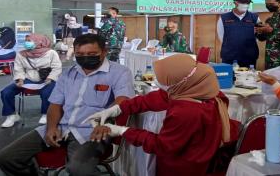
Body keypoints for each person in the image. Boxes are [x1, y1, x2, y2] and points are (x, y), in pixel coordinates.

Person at [0, 34, 135, 176]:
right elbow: (55, 104)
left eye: (92, 54)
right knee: (6, 158)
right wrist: (51, 127)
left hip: (93, 131)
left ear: (104, 52)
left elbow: (123, 100)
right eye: (80, 54)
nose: (85, 57)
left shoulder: (119, 72)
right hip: (61, 127)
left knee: (79, 169)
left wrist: (106, 122)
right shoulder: (68, 74)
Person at [86, 54, 239, 176]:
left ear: (179, 83)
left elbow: (162, 146)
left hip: (184, 166)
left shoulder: (186, 111)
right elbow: (154, 98)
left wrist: (122, 131)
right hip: (199, 154)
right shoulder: (202, 89)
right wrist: (117, 109)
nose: (160, 85)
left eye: (165, 81)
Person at [0, 34, 62, 128]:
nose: (27, 43)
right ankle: (12, 115)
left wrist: (50, 78)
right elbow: (18, 69)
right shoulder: (21, 54)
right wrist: (20, 79)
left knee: (47, 92)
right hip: (27, 79)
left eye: (29, 41)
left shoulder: (51, 53)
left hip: (47, 79)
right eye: (26, 41)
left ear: (39, 42)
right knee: (6, 92)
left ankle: (46, 114)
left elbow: (57, 68)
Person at [217, 0, 260, 68]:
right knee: (230, 77)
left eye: (248, 3)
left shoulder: (255, 18)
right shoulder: (224, 18)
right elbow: (221, 36)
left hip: (249, 56)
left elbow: (257, 36)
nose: (245, 5)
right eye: (243, 3)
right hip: (230, 56)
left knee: (249, 77)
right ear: (235, 3)